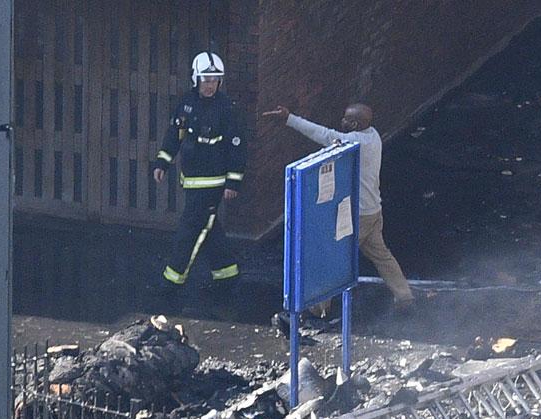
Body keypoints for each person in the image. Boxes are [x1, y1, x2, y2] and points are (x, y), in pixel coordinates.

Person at [263, 103, 415, 312]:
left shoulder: (354, 141)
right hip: (374, 211)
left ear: (354, 124)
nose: (342, 121)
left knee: (332, 259)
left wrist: (289, 118)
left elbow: (321, 134)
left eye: (346, 119)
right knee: (382, 255)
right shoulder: (374, 136)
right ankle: (404, 295)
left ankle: (318, 308)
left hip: (358, 216)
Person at [152, 51, 247, 310]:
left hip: (213, 184)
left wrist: (233, 183)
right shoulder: (186, 104)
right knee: (210, 229)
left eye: (215, 80)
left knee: (190, 231)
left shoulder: (225, 109)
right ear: (196, 78)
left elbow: (237, 148)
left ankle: (172, 281)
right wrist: (163, 162)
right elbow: (175, 134)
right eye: (206, 79)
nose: (210, 85)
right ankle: (227, 274)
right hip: (191, 181)